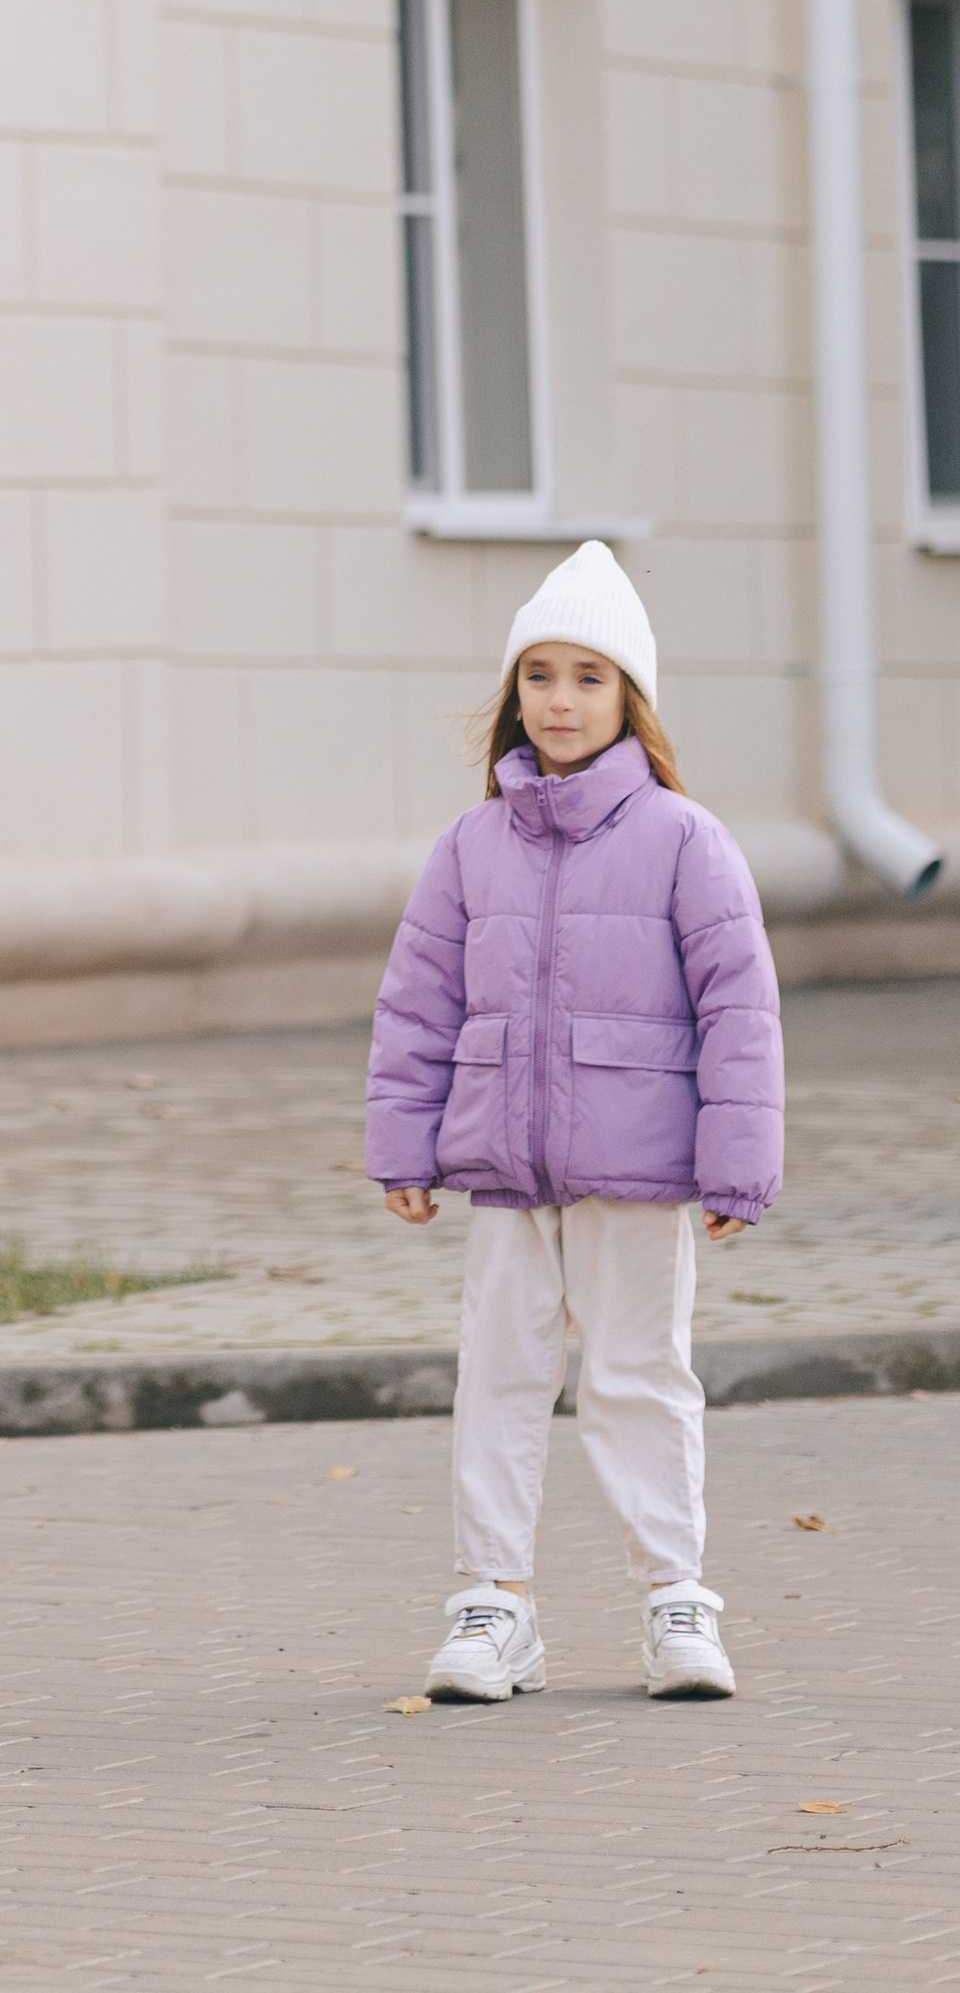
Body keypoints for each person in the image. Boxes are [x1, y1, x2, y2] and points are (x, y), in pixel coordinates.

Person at [365, 541, 784, 1708]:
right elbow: (417, 999)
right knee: (496, 1377)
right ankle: (492, 1608)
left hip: (637, 1172)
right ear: (513, 695)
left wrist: (735, 1165)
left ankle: (675, 1599)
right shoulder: (470, 846)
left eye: (588, 677)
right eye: (539, 674)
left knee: (639, 1378)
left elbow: (737, 1007)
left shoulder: (683, 842)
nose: (559, 698)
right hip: (506, 1168)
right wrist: (405, 1144)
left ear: (630, 702)